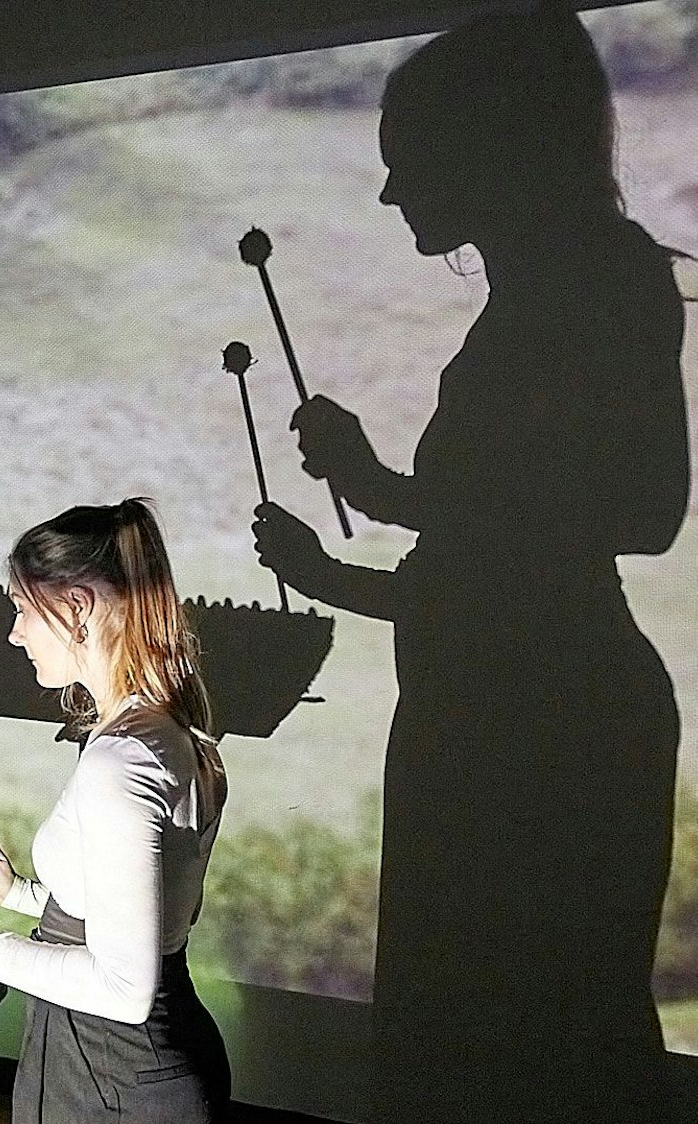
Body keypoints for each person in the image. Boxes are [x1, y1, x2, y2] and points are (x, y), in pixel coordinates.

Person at [251, 8, 687, 1121]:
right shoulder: (561, 288)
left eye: (407, 158)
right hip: (513, 717)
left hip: (543, 737)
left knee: (518, 1055)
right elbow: (497, 559)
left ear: (486, 145)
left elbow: (640, 510)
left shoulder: (598, 278)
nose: (393, 191)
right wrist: (363, 502)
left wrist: (377, 487)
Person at [0, 499, 230, 1123]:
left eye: (22, 611)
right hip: (128, 1069)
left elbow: (124, 991)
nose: (14, 633)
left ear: (76, 609)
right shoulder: (168, 732)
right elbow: (136, 913)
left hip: (115, 1076)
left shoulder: (120, 761)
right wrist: (17, 891)